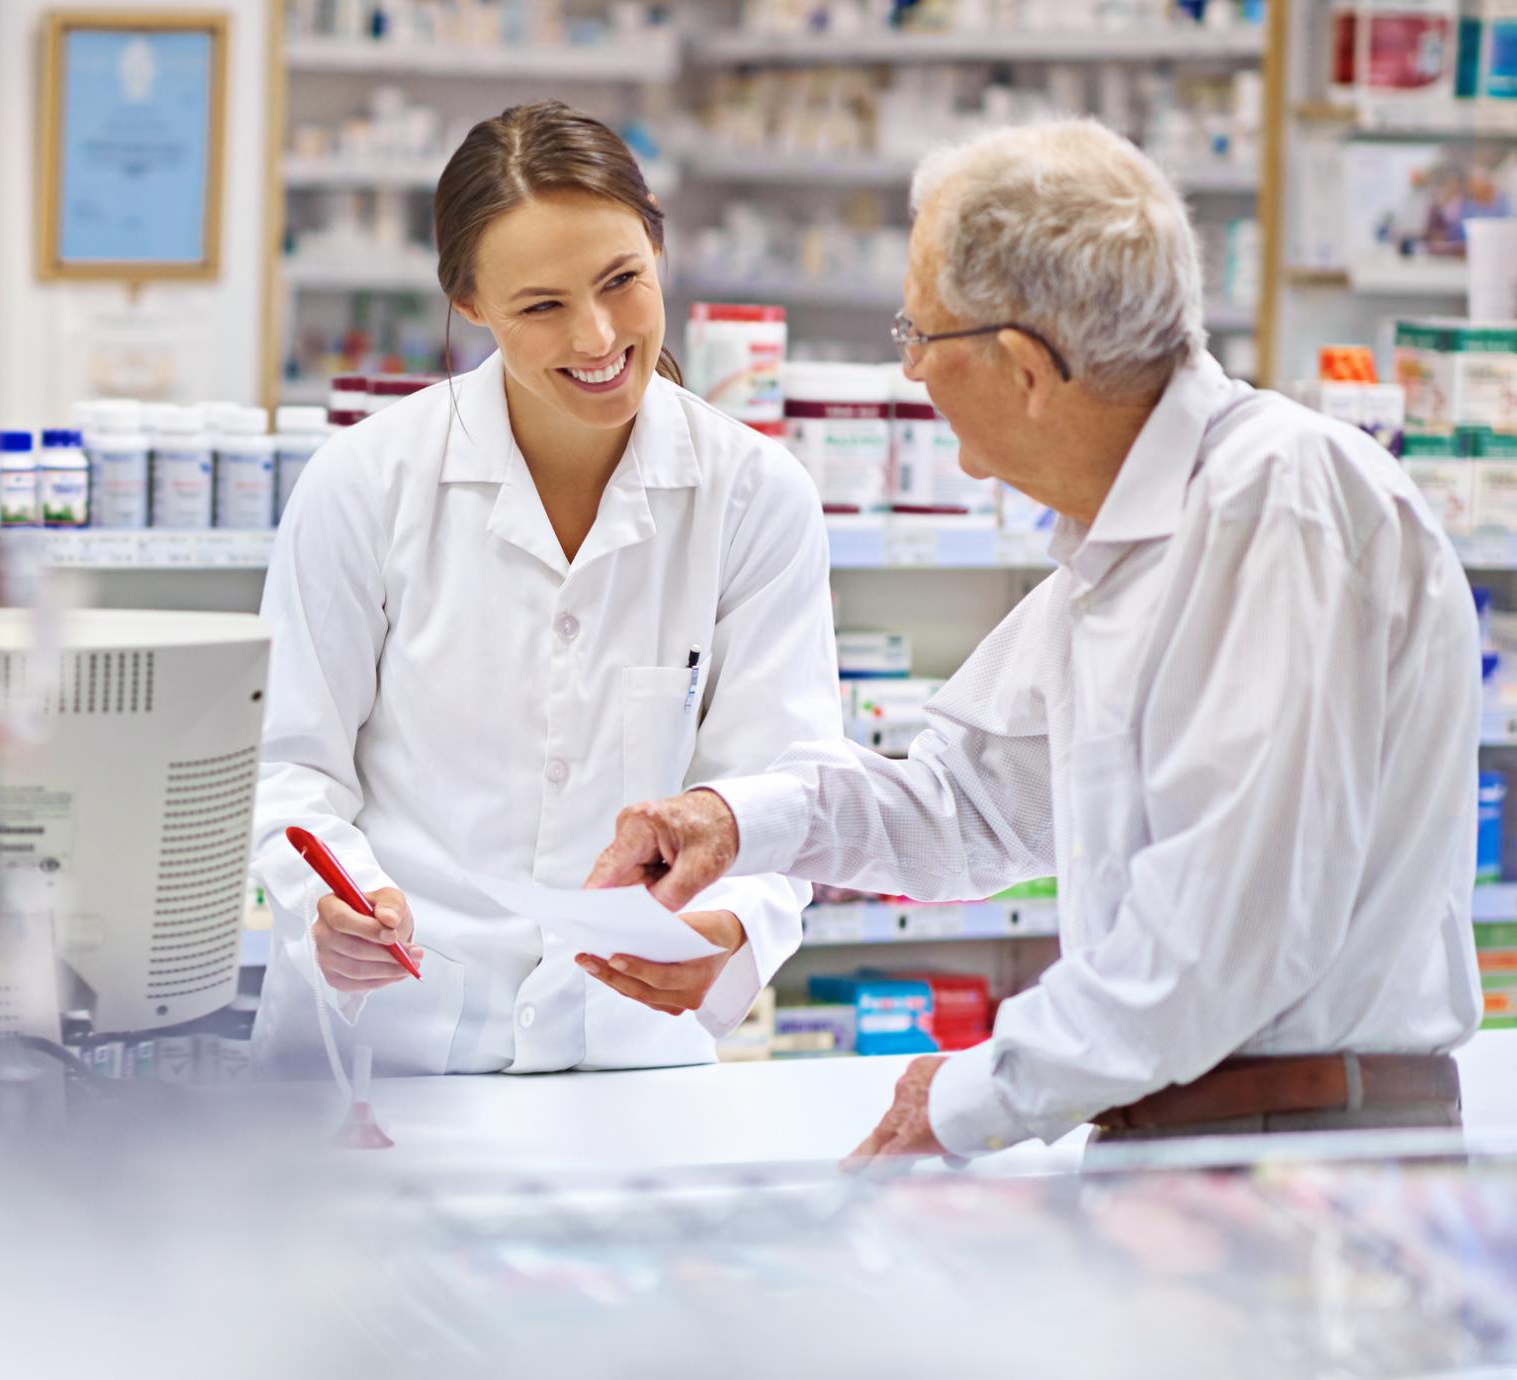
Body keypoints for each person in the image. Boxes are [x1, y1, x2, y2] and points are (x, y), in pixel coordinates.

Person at [587, 118, 1484, 1155]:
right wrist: (734, 820)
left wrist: (971, 1098)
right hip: (1198, 1142)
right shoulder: (1129, 541)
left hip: (1300, 1153)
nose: (911, 373)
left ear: (1019, 365)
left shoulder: (1271, 508)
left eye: (918, 335)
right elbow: (965, 805)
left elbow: (1220, 944)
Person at [248, 101, 841, 1079]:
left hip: (628, 1055)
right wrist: (337, 902)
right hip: (388, 1052)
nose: (598, 335)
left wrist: (732, 928)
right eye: (541, 306)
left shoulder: (752, 495)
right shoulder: (364, 483)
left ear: (659, 249)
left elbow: (784, 783)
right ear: (470, 304)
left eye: (622, 282)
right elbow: (288, 767)